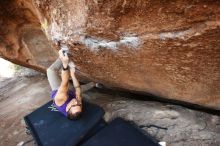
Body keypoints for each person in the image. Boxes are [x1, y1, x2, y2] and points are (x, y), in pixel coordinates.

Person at [47, 49, 96, 120]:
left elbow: (65, 82)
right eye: (78, 104)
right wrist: (72, 75)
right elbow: (77, 88)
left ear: (67, 108)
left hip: (58, 90)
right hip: (70, 94)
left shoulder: (60, 99)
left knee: (50, 71)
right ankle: (95, 84)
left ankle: (63, 56)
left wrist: (65, 64)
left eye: (74, 105)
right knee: (78, 91)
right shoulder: (77, 106)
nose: (76, 102)